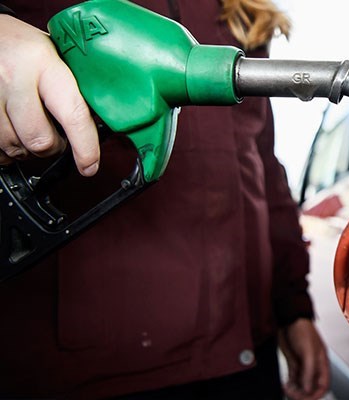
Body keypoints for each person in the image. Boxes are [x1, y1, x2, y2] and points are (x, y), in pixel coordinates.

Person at [0, 1, 330, 399]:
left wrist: (293, 307)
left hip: (246, 352)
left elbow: (263, 169)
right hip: (96, 369)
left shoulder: (241, 10)